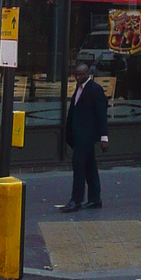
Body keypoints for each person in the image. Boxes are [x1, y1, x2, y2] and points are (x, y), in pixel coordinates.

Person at [58, 61, 109, 213]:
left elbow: (101, 115)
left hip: (87, 136)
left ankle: (76, 200)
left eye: (81, 74)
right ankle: (95, 199)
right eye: (76, 74)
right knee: (89, 166)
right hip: (79, 135)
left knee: (78, 165)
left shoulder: (95, 90)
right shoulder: (79, 89)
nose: (78, 77)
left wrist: (104, 137)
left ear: (88, 74)